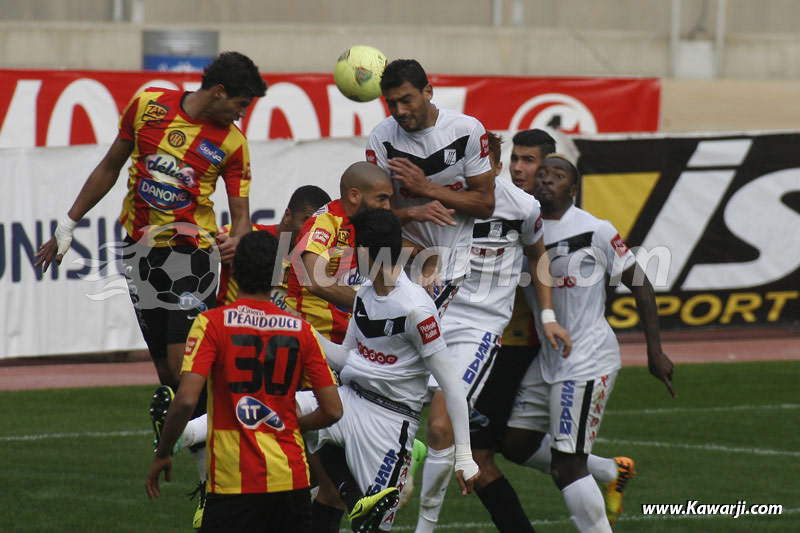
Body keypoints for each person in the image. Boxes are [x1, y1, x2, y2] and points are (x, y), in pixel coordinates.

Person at [33, 51, 268, 527]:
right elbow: (110, 165)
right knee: (168, 375)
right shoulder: (149, 106)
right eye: (240, 104)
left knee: (187, 371)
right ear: (218, 92)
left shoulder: (233, 143)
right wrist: (66, 224)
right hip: (137, 252)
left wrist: (235, 239)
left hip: (191, 257)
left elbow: (240, 213)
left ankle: (215, 483)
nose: (242, 115)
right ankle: (209, 472)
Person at [500, 155, 676, 532]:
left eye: (557, 176)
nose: (546, 180)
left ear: (573, 190)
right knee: (513, 443)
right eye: (542, 174)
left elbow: (640, 283)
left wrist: (654, 350)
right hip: (547, 357)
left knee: (567, 467)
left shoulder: (595, 229)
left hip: (586, 359)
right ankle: (610, 470)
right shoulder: (523, 230)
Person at [411, 131, 572, 533]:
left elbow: (539, 258)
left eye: (482, 167)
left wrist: (548, 315)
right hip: (429, 319)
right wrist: (421, 259)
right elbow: (400, 238)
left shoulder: (522, 207)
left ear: (495, 169)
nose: (472, 175)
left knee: (440, 427)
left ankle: (424, 528)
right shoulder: (445, 197)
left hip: (478, 329)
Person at [297, 208, 481, 532]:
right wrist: (304, 334)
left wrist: (464, 457)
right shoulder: (365, 295)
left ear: (368, 252)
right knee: (282, 411)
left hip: (390, 423)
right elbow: (346, 357)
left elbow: (451, 385)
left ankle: (371, 491)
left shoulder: (416, 310)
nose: (351, 257)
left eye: (355, 250)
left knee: (370, 529)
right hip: (349, 402)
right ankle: (186, 433)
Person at [146, 230, 342, 533]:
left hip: (232, 484)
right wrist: (293, 424)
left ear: (234, 271)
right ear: (276, 274)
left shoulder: (211, 323)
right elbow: (332, 410)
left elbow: (186, 400)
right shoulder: (300, 330)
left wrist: (164, 452)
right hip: (291, 479)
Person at [366, 58, 494, 303]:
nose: (400, 111)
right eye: (391, 103)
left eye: (406, 100)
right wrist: (414, 212)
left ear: (428, 92)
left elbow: (485, 205)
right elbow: (375, 218)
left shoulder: (467, 130)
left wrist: (427, 188)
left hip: (449, 268)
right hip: (397, 264)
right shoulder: (381, 138)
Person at [285, 162, 393, 343]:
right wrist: (371, 306)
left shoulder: (362, 220)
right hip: (314, 339)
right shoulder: (325, 223)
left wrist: (427, 261)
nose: (387, 207)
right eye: (381, 199)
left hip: (348, 338)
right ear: (354, 196)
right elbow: (316, 282)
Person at [216, 185, 332, 308]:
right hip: (231, 323)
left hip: (284, 325)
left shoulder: (320, 258)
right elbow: (208, 242)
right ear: (288, 216)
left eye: (318, 226)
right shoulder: (246, 237)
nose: (311, 232)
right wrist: (225, 248)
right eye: (307, 222)